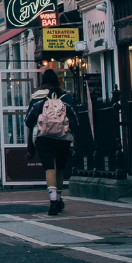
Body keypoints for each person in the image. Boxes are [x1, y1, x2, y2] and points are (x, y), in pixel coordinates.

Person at [25, 67, 76, 215]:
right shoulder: (66, 97)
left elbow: (28, 120)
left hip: (43, 137)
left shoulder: (37, 98)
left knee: (49, 168)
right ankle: (59, 199)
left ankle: (53, 202)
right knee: (60, 168)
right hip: (62, 137)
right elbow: (75, 117)